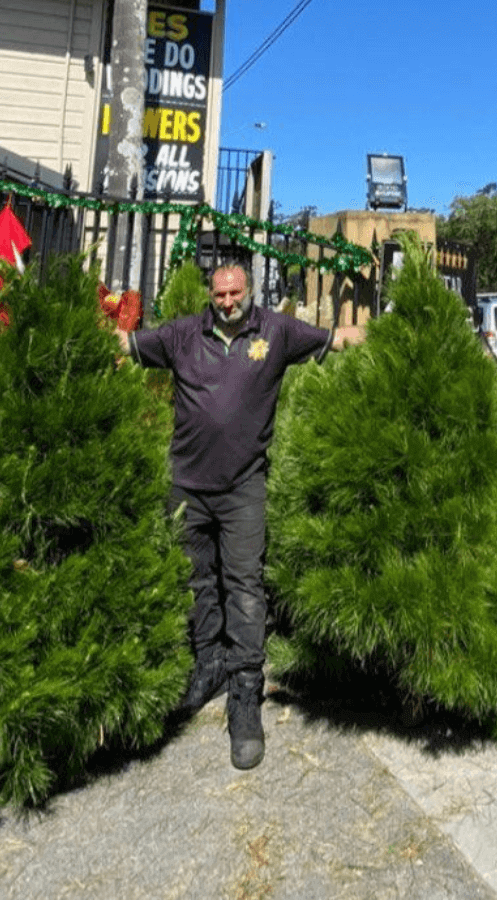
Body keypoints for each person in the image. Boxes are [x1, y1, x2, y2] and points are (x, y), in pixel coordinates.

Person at [118, 262, 364, 769]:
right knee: (196, 578)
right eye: (220, 293)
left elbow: (339, 339)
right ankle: (208, 664)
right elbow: (127, 345)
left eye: (235, 292)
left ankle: (246, 692)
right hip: (186, 484)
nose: (227, 301)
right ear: (211, 294)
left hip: (242, 487)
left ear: (249, 291)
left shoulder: (276, 331)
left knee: (245, 583)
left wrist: (387, 333)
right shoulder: (184, 334)